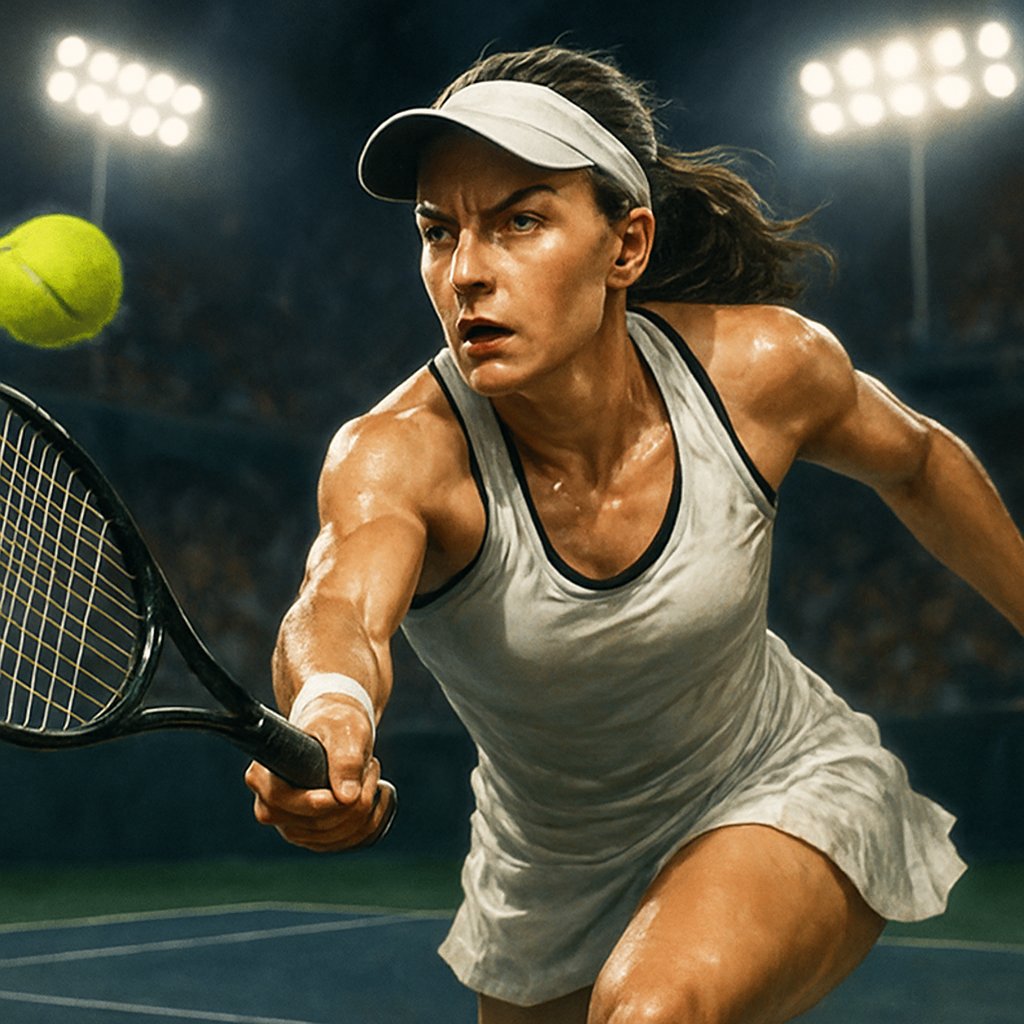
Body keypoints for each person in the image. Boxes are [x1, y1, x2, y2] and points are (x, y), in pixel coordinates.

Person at [244, 44, 1024, 1024]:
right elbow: (339, 605)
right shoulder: (395, 453)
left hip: (775, 777)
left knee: (652, 1012)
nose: (467, 273)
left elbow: (917, 460)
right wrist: (331, 715)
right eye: (438, 232)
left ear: (626, 245)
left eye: (519, 221)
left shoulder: (762, 368)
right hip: (546, 867)